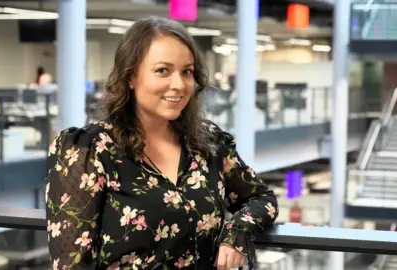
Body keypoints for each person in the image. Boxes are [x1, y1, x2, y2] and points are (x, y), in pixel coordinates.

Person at [45, 16, 278, 270]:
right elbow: (72, 264)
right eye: (162, 71)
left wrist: (237, 233)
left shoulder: (207, 143)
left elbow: (261, 198)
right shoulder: (91, 150)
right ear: (130, 77)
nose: (179, 85)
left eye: (187, 72)